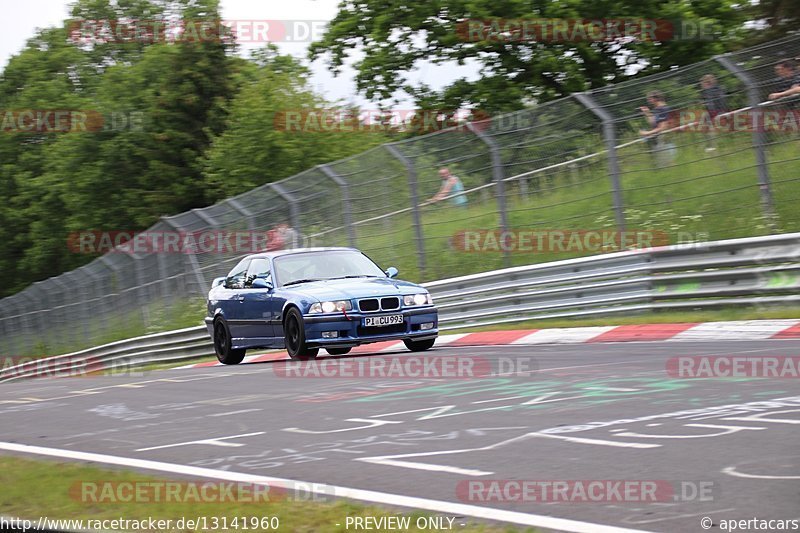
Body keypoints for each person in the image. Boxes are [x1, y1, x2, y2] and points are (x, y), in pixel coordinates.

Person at [639, 90, 676, 166]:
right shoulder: (657, 109)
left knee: (668, 163)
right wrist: (647, 113)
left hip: (664, 139)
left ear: (655, 98)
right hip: (659, 139)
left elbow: (662, 128)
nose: (648, 101)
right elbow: (653, 123)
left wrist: (647, 133)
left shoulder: (663, 109)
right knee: (664, 163)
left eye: (650, 99)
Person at [700, 74, 728, 151]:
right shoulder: (708, 91)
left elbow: (720, 102)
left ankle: (713, 146)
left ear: (707, 83)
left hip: (717, 112)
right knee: (705, 127)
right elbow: (710, 103)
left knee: (711, 128)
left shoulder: (714, 90)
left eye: (702, 83)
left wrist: (719, 115)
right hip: (713, 112)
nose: (702, 85)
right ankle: (711, 145)